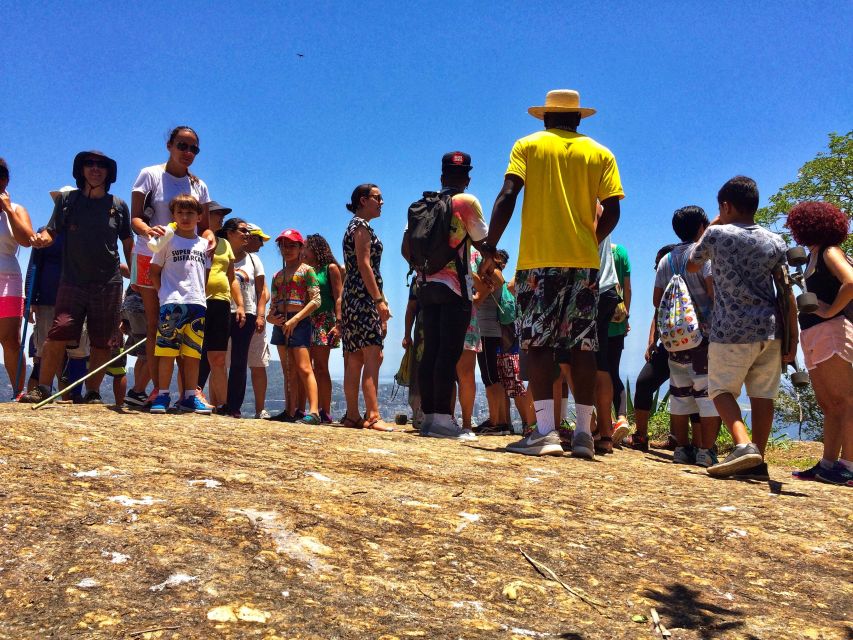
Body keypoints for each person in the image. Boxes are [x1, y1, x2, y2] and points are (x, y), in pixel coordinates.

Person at [480, 89, 623, 458]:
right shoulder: (600, 152)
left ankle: (544, 432)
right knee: (584, 346)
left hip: (538, 261)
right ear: (578, 119)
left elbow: (508, 194)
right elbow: (612, 211)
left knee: (538, 344)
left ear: (544, 118)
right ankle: (584, 435)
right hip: (584, 263)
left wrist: (489, 248)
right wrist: (591, 241)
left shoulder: (527, 145)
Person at [688, 176, 792, 478]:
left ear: (726, 205)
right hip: (770, 329)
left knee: (719, 390)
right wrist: (792, 337)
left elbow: (693, 263)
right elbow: (785, 290)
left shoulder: (717, 234)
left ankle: (743, 444)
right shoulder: (776, 241)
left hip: (730, 328)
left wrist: (715, 222)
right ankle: (758, 460)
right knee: (762, 395)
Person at [21, 151, 131, 404]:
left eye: (101, 165)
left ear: (109, 172)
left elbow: (128, 242)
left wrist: (135, 276)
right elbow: (51, 232)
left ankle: (92, 392)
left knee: (102, 340)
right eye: (89, 164)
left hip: (108, 282)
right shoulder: (67, 201)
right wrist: (41, 241)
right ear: (80, 170)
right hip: (72, 280)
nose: (95, 168)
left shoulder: (118, 205)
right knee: (58, 333)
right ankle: (43, 388)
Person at [402, 152, 488, 440]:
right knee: (448, 354)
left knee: (430, 353)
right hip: (455, 288)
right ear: (466, 178)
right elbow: (482, 241)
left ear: (441, 177)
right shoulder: (466, 202)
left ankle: (428, 417)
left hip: (426, 287)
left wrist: (425, 268)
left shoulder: (422, 206)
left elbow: (406, 249)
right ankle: (442, 419)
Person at [130, 126, 212, 406]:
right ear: (169, 145)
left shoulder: (199, 185)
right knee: (157, 326)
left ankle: (188, 392)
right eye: (182, 146)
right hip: (150, 253)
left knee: (184, 329)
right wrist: (148, 231)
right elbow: (135, 218)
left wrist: (210, 240)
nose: (188, 153)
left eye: (193, 149)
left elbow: (207, 228)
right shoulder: (149, 174)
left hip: (186, 257)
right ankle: (158, 390)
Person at [786, 202, 853, 486]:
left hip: (832, 331)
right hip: (814, 334)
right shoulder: (813, 255)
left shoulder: (829, 251)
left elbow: (850, 282)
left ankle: (848, 465)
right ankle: (828, 463)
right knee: (828, 404)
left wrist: (829, 311)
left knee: (845, 401)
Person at [654, 206, 721, 468]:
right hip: (702, 336)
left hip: (675, 338)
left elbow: (656, 300)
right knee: (707, 394)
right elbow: (713, 293)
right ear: (701, 228)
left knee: (680, 393)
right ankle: (706, 450)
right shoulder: (703, 256)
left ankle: (681, 449)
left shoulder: (665, 260)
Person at [148, 195, 212, 414]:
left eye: (190, 213)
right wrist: (163, 294)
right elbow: (153, 271)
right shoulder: (167, 240)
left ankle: (190, 396)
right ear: (173, 216)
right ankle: (163, 394)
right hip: (171, 304)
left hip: (197, 304)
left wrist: (200, 295)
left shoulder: (204, 245)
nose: (185, 217)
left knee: (193, 354)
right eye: (180, 213)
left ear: (199, 216)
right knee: (167, 352)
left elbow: (205, 273)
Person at [340, 184, 392, 431]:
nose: (382, 202)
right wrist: (378, 299)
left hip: (352, 297)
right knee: (373, 354)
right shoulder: (361, 227)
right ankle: (373, 414)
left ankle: (352, 414)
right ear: (363, 200)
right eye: (377, 198)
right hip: (363, 298)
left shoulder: (353, 226)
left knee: (355, 357)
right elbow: (364, 265)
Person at [268, 229, 322, 425]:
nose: (287, 249)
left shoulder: (307, 271)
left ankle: (314, 411)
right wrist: (270, 318)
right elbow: (273, 304)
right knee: (287, 369)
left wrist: (296, 319)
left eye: (292, 245)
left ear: (301, 248)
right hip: (281, 320)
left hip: (298, 321)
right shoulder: (277, 275)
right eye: (283, 245)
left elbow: (316, 300)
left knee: (304, 367)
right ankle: (290, 411)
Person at [629, 244, 677, 451]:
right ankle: (641, 436)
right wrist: (651, 341)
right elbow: (657, 312)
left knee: (687, 392)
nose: (656, 267)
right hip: (666, 345)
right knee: (644, 383)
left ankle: (686, 442)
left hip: (690, 343)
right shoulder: (665, 282)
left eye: (658, 264)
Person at [196, 201, 242, 409]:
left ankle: (223, 405)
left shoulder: (225, 245)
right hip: (199, 300)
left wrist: (239, 305)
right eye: (217, 213)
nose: (221, 217)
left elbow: (231, 277)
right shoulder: (195, 239)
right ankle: (191, 395)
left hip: (222, 302)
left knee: (218, 357)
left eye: (223, 213)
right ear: (205, 215)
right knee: (193, 353)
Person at [24, 186, 69, 393]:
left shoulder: (81, 233)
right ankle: (40, 392)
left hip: (72, 297)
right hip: (47, 299)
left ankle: (65, 396)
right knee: (43, 350)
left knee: (69, 355)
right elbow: (34, 266)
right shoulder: (44, 232)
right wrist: (30, 300)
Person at [0, 158, 35, 396]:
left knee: (10, 339)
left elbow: (26, 239)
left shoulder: (17, 209)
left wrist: (9, 210)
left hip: (8, 278)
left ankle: (18, 391)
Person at [304, 233, 343, 424]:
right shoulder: (305, 269)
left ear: (316, 248)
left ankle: (324, 410)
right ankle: (309, 408)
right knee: (305, 366)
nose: (303, 250)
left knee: (320, 367)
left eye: (306, 247)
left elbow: (338, 296)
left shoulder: (331, 268)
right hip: (305, 320)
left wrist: (339, 323)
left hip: (323, 319)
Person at [216, 217, 251, 417]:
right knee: (211, 357)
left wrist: (241, 306)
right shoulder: (212, 245)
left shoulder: (252, 259)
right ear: (229, 232)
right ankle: (199, 397)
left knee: (236, 361)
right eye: (243, 230)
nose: (247, 234)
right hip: (214, 306)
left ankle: (231, 406)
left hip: (238, 311)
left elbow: (233, 280)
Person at [244, 224, 271, 419]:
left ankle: (260, 409)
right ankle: (225, 403)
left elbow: (264, 291)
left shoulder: (255, 260)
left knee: (258, 363)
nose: (262, 244)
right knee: (225, 362)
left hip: (254, 316)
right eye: (260, 239)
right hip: (233, 315)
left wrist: (260, 314)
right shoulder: (228, 255)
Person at [608, 241, 632, 442]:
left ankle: (605, 421)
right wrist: (626, 317)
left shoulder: (591, 246)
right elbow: (627, 288)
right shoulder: (620, 251)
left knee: (598, 372)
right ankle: (622, 418)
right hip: (616, 319)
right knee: (613, 371)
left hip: (593, 321)